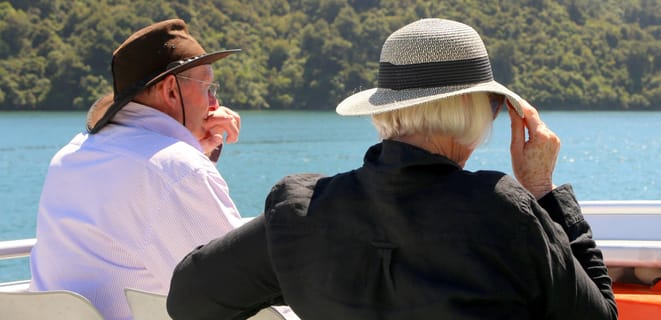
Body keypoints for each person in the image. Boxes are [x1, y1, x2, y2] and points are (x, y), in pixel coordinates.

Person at [167, 18, 617, 320]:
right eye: (494, 108)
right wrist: (541, 188)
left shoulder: (301, 212)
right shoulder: (504, 211)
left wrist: (301, 275)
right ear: (473, 111)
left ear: (385, 109)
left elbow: (188, 301)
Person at [29, 19, 244, 320]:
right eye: (208, 88)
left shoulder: (70, 156)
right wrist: (189, 157)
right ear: (171, 91)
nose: (214, 104)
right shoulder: (177, 168)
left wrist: (197, 150)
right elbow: (241, 288)